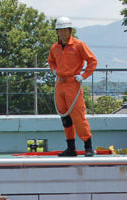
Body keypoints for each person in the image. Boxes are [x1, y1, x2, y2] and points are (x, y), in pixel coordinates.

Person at [48, 16, 97, 157]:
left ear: (70, 30)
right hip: (60, 85)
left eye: (65, 30)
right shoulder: (54, 48)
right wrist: (53, 70)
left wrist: (84, 76)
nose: (63, 33)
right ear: (57, 32)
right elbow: (51, 61)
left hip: (73, 85)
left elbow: (92, 61)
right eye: (60, 30)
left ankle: (88, 147)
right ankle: (71, 148)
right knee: (65, 117)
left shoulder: (78, 45)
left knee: (78, 117)